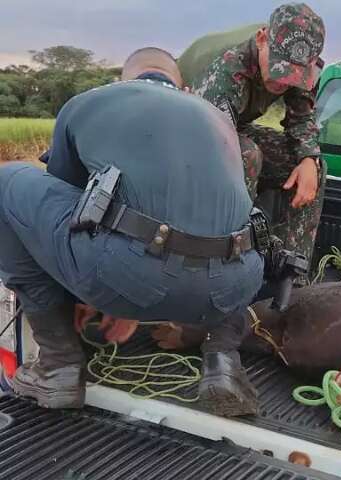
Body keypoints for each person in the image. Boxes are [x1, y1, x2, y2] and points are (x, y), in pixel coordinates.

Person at [0, 48, 264, 416]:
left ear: (123, 81)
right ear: (183, 87)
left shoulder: (91, 102)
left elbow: (65, 203)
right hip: (234, 288)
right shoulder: (218, 120)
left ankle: (58, 365)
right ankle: (223, 365)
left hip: (129, 276)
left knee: (6, 182)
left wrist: (96, 292)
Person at [179, 3, 326, 268]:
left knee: (310, 165)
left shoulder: (298, 62)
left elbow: (302, 117)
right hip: (192, 128)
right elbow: (208, 145)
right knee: (246, 154)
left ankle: (289, 267)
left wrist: (308, 159)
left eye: (294, 75)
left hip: (235, 124)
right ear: (261, 40)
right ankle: (230, 261)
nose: (284, 82)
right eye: (280, 69)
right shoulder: (225, 70)